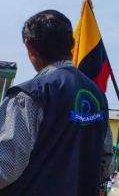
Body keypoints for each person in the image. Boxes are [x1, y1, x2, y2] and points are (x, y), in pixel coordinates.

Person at [0, 10, 112, 195]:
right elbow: (104, 163)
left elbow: (6, 168)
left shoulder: (28, 96)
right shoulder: (98, 97)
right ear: (72, 44)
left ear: (30, 47)